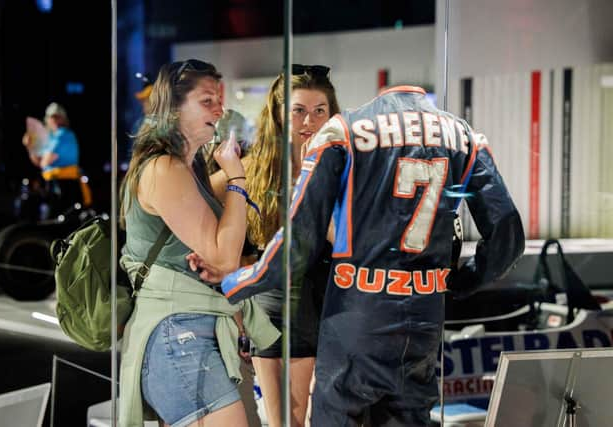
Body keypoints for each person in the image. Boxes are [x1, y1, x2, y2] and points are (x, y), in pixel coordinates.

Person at [221, 85, 525, 426]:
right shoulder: (464, 135)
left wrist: (232, 283)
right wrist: (460, 283)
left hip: (358, 314)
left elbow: (297, 243)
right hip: (425, 316)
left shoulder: (343, 130)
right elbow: (508, 237)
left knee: (337, 414)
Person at [117, 59, 279, 427]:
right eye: (207, 101)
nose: (219, 110)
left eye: (218, 101)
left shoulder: (190, 168)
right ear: (174, 108)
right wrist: (236, 177)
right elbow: (222, 255)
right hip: (178, 333)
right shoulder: (164, 169)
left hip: (191, 331)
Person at [208, 64, 340, 427]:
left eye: (319, 111)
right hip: (270, 309)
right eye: (298, 111)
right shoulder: (256, 167)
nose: (308, 122)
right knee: (285, 422)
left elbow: (348, 237)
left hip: (328, 305)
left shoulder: (341, 167)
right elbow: (203, 197)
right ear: (280, 115)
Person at [22, 102, 91, 215]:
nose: (54, 120)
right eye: (51, 117)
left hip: (64, 187)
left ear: (63, 119)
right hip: (52, 186)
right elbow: (39, 162)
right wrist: (30, 148)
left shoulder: (64, 135)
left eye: (57, 117)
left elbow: (44, 162)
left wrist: (37, 151)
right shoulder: (51, 138)